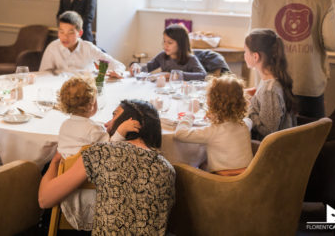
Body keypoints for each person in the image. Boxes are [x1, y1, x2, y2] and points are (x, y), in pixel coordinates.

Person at [38, 99, 175, 235]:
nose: (106, 123)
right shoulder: (167, 169)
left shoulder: (101, 152)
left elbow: (44, 199)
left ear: (130, 121)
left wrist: (55, 162)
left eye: (114, 115)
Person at [251, 0, 335, 118]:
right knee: (308, 139)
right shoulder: (324, 0)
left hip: (270, 83)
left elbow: (253, 40)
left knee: (270, 140)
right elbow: (332, 43)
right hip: (308, 85)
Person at [57, 76, 140, 230]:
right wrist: (121, 131)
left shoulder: (64, 126)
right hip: (90, 193)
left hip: (65, 192)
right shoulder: (93, 129)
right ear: (91, 104)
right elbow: (109, 150)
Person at [174, 75, 253, 175]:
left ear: (211, 102)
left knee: (183, 169)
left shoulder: (212, 131)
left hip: (221, 181)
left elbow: (180, 134)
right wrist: (216, 117)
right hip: (248, 177)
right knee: (204, 163)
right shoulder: (246, 124)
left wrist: (189, 116)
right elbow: (245, 121)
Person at [244, 29, 296, 141]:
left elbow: (269, 131)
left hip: (269, 152)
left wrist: (249, 108)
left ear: (255, 56)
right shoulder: (271, 81)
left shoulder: (270, 90)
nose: (244, 55)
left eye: (246, 51)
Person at [39, 11, 125, 76]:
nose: (65, 37)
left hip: (85, 88)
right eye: (61, 32)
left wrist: (117, 72)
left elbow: (118, 65)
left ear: (80, 33)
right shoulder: (52, 47)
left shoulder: (88, 48)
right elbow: (44, 73)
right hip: (61, 88)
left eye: (70, 32)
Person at [130, 24, 207, 81]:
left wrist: (176, 75)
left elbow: (203, 75)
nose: (165, 45)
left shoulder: (190, 59)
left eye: (170, 43)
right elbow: (148, 67)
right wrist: (137, 67)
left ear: (181, 44)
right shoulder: (162, 56)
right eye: (164, 41)